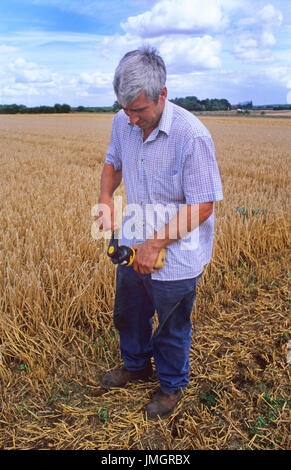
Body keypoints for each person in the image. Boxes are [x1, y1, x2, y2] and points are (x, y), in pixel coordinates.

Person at [97, 46, 223, 419]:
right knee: (130, 313)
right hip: (133, 239)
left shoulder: (192, 136)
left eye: (139, 110)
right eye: (125, 109)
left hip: (177, 253)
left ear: (162, 94)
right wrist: (105, 197)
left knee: (170, 324)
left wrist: (156, 244)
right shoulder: (124, 122)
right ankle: (136, 365)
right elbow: (112, 161)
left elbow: (203, 204)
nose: (131, 119)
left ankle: (170, 386)